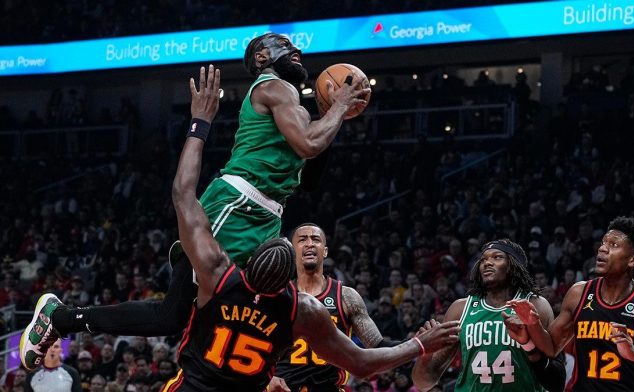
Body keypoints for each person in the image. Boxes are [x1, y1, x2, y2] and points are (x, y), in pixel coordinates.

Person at [20, 32, 369, 370]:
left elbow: (309, 179)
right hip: (236, 204)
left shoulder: (298, 110)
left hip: (266, 217)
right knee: (173, 313)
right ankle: (63, 318)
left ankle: (70, 320)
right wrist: (338, 107)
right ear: (263, 57)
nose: (296, 49)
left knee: (221, 313)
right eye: (285, 44)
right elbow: (309, 145)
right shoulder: (273, 86)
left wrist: (332, 117)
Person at [164, 65, 460, 390]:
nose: (306, 244)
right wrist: (417, 345)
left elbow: (182, 193)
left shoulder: (219, 276)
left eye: (313, 239)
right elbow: (363, 363)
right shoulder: (300, 308)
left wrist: (200, 122)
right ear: (287, 274)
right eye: (299, 239)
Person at [507, 217, 634, 391]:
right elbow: (551, 347)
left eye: (614, 245)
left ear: (633, 260)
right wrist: (533, 324)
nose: (602, 248)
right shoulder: (579, 293)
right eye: (604, 242)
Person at [411, 239, 566, 392]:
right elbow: (424, 383)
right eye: (483, 259)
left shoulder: (536, 305)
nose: (487, 262)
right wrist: (425, 356)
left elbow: (557, 380)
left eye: (497, 257)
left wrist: (530, 344)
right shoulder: (460, 309)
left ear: (514, 266)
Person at [269, 223, 405, 392]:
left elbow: (378, 346)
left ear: (325, 251)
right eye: (302, 239)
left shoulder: (346, 296)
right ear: (292, 250)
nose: (310, 243)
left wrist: (415, 343)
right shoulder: (278, 295)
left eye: (316, 239)